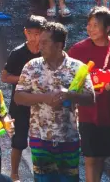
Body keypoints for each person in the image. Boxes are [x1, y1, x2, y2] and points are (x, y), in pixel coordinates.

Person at [15, 22, 95, 182]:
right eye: (40, 41)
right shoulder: (31, 66)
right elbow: (18, 97)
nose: (39, 45)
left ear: (59, 46)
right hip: (39, 138)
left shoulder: (77, 68)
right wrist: (44, 98)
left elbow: (90, 98)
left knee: (69, 179)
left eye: (45, 42)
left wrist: (70, 95)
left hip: (69, 138)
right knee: (42, 179)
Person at [68, 7, 110, 182]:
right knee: (90, 157)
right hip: (86, 112)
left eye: (96, 25)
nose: (91, 29)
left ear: (109, 28)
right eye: (89, 25)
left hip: (109, 112)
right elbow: (67, 76)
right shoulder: (78, 49)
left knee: (102, 155)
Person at [2, 15, 46, 181]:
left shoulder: (47, 51)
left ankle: (41, 174)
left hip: (42, 104)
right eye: (31, 33)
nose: (35, 38)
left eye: (38, 34)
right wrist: (26, 79)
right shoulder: (18, 53)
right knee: (19, 141)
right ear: (25, 33)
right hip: (20, 104)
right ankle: (14, 174)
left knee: (41, 140)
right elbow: (5, 77)